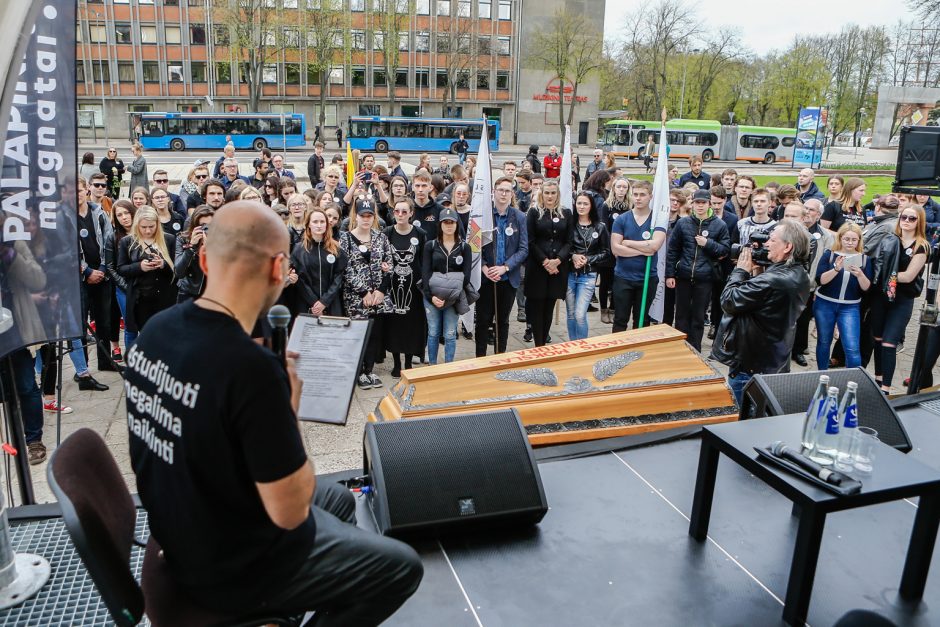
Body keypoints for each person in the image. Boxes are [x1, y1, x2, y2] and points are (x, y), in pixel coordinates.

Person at [126, 200, 422, 623]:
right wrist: (287, 409)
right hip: (229, 565)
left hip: (179, 525)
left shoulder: (157, 331)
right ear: (278, 270)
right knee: (399, 567)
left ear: (205, 258)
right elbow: (289, 510)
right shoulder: (250, 368)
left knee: (337, 498)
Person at [710, 219, 812, 403]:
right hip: (773, 358)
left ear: (788, 246)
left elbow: (728, 301)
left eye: (772, 240)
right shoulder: (800, 274)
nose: (766, 244)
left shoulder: (774, 280)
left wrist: (740, 271)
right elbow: (763, 303)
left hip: (750, 366)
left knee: (743, 420)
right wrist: (758, 274)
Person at [870, 205, 928, 393]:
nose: (907, 221)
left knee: (889, 342)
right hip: (881, 297)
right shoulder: (889, 239)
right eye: (904, 217)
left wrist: (885, 276)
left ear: (920, 221)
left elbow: (909, 276)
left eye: (912, 218)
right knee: (878, 339)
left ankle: (886, 388)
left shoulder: (921, 246)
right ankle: (878, 379)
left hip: (902, 299)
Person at [666, 189, 731, 351]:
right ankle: (680, 347)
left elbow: (725, 250)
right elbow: (673, 250)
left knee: (698, 315)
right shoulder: (683, 223)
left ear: (709, 204)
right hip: (684, 275)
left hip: (705, 277)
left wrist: (708, 243)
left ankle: (695, 347)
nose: (700, 206)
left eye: (703, 203)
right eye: (697, 203)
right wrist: (669, 274)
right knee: (681, 314)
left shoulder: (719, 224)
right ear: (692, 204)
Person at [340, 198, 394, 389]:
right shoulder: (345, 238)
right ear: (356, 216)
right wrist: (364, 292)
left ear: (374, 217)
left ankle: (369, 370)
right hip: (357, 297)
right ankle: (359, 371)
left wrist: (380, 290)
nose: (366, 219)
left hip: (378, 296)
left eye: (369, 215)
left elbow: (390, 264)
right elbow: (345, 269)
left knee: (374, 334)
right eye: (362, 215)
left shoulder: (381, 237)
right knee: (359, 334)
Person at [476, 176, 528, 356]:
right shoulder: (483, 216)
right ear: (494, 192)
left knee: (503, 320)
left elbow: (523, 249)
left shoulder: (519, 217)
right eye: (501, 190)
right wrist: (484, 267)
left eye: (507, 191)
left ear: (512, 193)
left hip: (508, 277)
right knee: (483, 320)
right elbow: (474, 246)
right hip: (486, 278)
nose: (504, 194)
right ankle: (480, 358)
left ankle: (500, 355)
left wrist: (505, 267)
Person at [813, 223, 873, 370]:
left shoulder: (864, 260)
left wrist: (860, 274)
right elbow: (820, 280)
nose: (850, 243)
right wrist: (835, 269)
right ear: (840, 238)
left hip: (850, 306)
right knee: (824, 342)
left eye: (854, 239)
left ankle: (852, 380)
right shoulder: (830, 254)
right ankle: (821, 375)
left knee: (852, 347)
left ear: (859, 240)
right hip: (825, 303)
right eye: (846, 239)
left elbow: (866, 288)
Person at [610, 180, 666, 331]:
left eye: (642, 195)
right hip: (623, 278)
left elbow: (655, 246)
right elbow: (616, 249)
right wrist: (644, 249)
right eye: (635, 194)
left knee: (641, 321)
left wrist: (628, 243)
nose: (638, 198)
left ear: (650, 196)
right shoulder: (622, 219)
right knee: (620, 319)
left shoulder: (656, 220)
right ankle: (617, 352)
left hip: (647, 279)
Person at [381, 199, 428, 377]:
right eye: (397, 211)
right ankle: (396, 362)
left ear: (411, 213)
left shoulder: (420, 234)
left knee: (411, 325)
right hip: (391, 286)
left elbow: (424, 261)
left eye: (404, 211)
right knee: (394, 324)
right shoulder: (386, 233)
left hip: (414, 287)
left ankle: (408, 362)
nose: (400, 215)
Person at [78, 177, 119, 373]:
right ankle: (83, 369)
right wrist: (86, 271)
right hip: (81, 277)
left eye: (79, 190)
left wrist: (103, 269)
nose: (76, 195)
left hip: (101, 275)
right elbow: (65, 249)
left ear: (86, 190)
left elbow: (109, 240)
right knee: (80, 325)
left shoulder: (99, 213)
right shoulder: (64, 216)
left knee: (103, 320)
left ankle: (105, 361)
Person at [117, 207, 177, 339]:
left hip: (165, 298)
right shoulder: (127, 242)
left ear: (157, 224)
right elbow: (121, 269)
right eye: (143, 227)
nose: (148, 230)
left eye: (151, 226)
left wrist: (163, 264)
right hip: (141, 299)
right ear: (137, 225)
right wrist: (140, 267)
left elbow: (177, 269)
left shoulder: (169, 239)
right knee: (147, 337)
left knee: (166, 337)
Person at [525, 179, 572, 347]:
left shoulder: (566, 213)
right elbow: (529, 241)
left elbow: (569, 241)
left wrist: (558, 260)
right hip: (538, 267)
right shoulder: (534, 213)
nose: (550, 196)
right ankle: (538, 345)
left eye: (553, 193)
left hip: (558, 269)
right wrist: (545, 261)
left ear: (557, 194)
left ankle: (544, 340)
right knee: (537, 307)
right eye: (547, 193)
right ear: (541, 194)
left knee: (549, 307)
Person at [422, 208, 471, 364]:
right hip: (432, 296)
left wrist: (451, 296)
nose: (449, 226)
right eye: (445, 222)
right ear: (440, 224)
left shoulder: (464, 248)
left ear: (457, 224)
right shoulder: (430, 245)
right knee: (433, 332)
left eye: (452, 222)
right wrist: (431, 296)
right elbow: (425, 273)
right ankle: (432, 366)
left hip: (454, 297)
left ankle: (448, 367)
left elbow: (466, 276)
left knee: (450, 334)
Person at [567, 192, 611, 341]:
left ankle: (582, 346)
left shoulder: (600, 227)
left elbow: (606, 252)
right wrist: (572, 256)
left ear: (591, 206)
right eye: (579, 203)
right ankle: (573, 344)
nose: (581, 206)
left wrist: (588, 259)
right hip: (570, 274)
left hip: (589, 274)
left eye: (585, 203)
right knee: (571, 314)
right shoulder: (569, 224)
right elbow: (563, 247)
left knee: (580, 314)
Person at [291, 206, 347, 319]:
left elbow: (339, 277)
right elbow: (298, 278)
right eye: (315, 221)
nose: (319, 225)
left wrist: (324, 302)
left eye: (322, 221)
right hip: (307, 304)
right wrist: (314, 303)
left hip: (331, 303)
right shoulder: (299, 249)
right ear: (309, 225)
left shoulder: (336, 248)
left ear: (327, 225)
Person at [105, 200, 138, 352]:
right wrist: (125, 286)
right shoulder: (113, 238)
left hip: (145, 284)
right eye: (119, 215)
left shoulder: (144, 231)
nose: (124, 217)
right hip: (124, 287)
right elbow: (110, 267)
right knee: (130, 326)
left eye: (126, 213)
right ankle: (132, 362)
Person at [175, 206, 214, 303]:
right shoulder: (183, 239)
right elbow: (179, 272)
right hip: (189, 292)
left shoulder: (221, 239)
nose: (206, 229)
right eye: (203, 225)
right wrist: (191, 247)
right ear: (194, 226)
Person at [411, 172, 442, 240]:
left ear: (431, 187)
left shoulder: (440, 210)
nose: (420, 190)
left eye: (424, 186)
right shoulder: (406, 209)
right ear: (412, 187)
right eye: (417, 186)